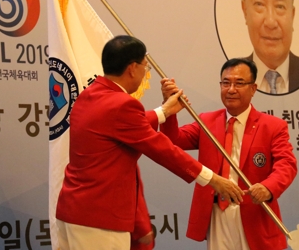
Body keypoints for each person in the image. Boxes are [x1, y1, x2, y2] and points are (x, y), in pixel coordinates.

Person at [55, 35, 245, 250]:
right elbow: (162, 149)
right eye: (146, 67)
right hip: (100, 218)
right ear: (133, 68)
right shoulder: (122, 104)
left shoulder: (90, 94)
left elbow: (122, 126)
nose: (146, 72)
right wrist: (213, 180)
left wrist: (164, 112)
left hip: (71, 211)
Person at [160, 58, 297, 250]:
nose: (231, 89)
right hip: (217, 213)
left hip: (254, 214)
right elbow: (173, 140)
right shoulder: (207, 121)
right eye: (226, 83)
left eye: (239, 83)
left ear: (253, 88)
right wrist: (168, 110)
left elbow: (287, 165)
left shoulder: (272, 126)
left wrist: (268, 188)